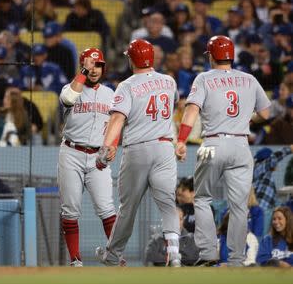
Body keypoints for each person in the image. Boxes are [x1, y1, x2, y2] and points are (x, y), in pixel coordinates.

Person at [175, 35, 271, 267]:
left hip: (212, 144)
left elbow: (191, 112)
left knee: (202, 198)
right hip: (241, 144)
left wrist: (181, 140)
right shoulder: (248, 78)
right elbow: (266, 113)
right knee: (239, 206)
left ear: (211, 56)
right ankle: (237, 259)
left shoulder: (204, 78)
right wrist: (246, 119)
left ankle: (208, 254)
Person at [95, 39, 181, 267]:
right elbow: (172, 106)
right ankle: (175, 256)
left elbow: (117, 119)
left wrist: (107, 148)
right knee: (168, 204)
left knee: (127, 208)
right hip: (164, 147)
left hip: (138, 149)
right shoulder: (169, 81)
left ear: (131, 59)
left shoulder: (127, 85)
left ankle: (112, 256)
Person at [58, 47, 117, 267]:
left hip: (97, 157)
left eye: (98, 65)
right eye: (90, 65)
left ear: (103, 67)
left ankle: (115, 256)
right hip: (71, 153)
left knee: (107, 208)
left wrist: (112, 145)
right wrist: (83, 71)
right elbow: (70, 97)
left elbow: (117, 125)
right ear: (83, 66)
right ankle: (75, 260)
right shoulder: (70, 88)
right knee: (70, 208)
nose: (94, 69)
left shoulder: (111, 94)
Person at [253, 145, 293, 210]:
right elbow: (275, 157)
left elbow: (274, 202)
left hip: (262, 212)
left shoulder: (265, 176)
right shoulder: (260, 168)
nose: (276, 163)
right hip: (261, 212)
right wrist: (290, 149)